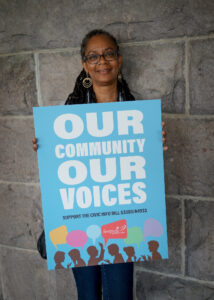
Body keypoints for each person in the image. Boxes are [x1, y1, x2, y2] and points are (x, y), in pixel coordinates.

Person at [33, 29, 167, 300]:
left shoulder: (137, 113)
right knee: (88, 295)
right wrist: (44, 149)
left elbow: (144, 172)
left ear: (118, 59)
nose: (102, 61)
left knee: (120, 294)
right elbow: (58, 172)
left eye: (108, 54)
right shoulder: (66, 113)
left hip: (123, 221)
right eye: (93, 56)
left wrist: (155, 145)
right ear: (84, 64)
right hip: (80, 221)